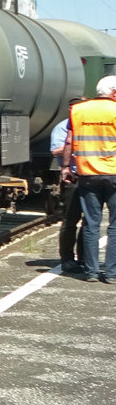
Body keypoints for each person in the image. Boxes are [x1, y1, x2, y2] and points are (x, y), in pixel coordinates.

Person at [60, 76, 116, 282]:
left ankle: (91, 272)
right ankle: (111, 273)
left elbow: (69, 141)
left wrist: (66, 167)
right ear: (114, 92)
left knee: (91, 224)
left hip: (87, 174)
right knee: (114, 226)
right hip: (113, 174)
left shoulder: (79, 110)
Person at [50, 99, 86, 272]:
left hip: (91, 177)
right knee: (70, 220)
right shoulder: (62, 127)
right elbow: (55, 149)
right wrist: (71, 147)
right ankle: (67, 258)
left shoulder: (90, 125)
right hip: (72, 177)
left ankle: (84, 258)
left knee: (90, 223)